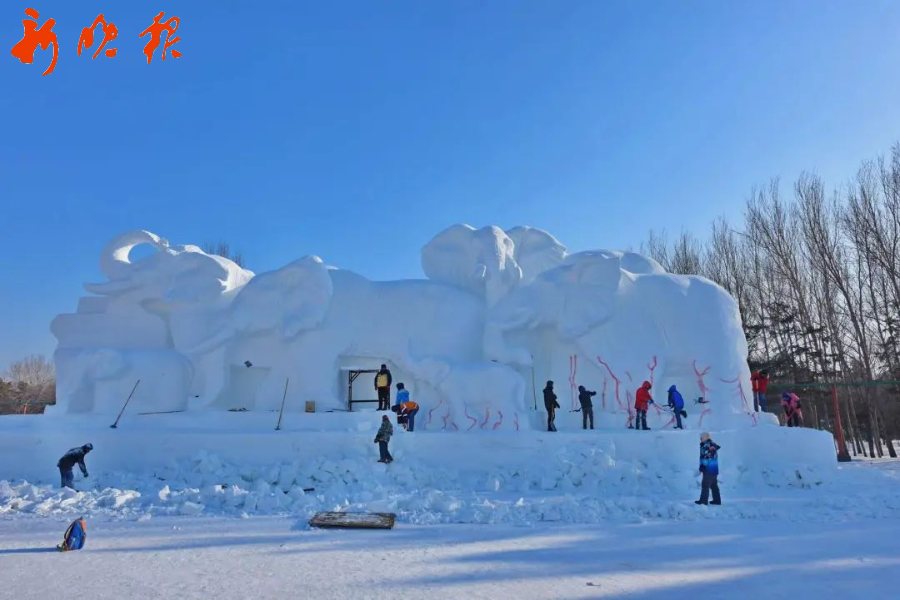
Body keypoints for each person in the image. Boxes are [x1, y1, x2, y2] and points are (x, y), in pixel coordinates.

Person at [695, 432, 721, 505]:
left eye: (701, 437)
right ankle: (717, 500)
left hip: (709, 468)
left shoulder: (708, 445)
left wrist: (703, 465)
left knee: (705, 485)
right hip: (714, 468)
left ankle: (703, 501)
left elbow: (708, 456)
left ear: (705, 437)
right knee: (713, 485)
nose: (700, 439)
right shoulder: (710, 444)